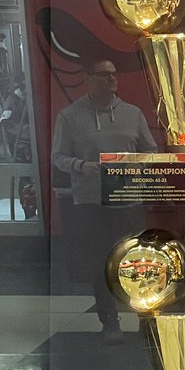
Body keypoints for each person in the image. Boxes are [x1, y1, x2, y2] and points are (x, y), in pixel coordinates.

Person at [50, 58, 157, 344]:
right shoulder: (69, 117)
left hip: (128, 200)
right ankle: (109, 321)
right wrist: (81, 166)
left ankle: (146, 317)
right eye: (103, 74)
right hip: (90, 203)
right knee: (101, 263)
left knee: (137, 261)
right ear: (87, 79)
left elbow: (151, 151)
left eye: (113, 74)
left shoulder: (132, 114)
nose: (111, 79)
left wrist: (138, 167)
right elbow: (57, 157)